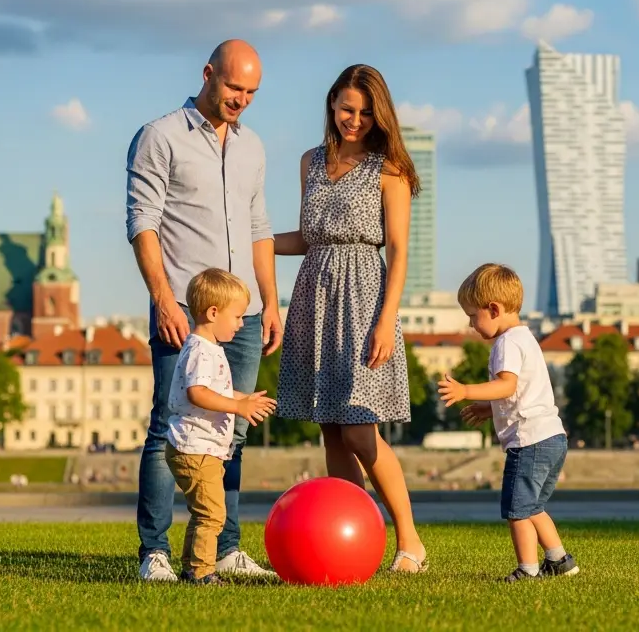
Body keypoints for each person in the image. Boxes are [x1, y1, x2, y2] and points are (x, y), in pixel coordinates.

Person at [126, 39, 284, 582]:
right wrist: (163, 299)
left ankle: (225, 548)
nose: (242, 99)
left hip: (243, 315)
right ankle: (155, 553)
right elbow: (142, 223)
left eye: (251, 92)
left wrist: (270, 302)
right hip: (186, 316)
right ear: (208, 74)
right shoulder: (160, 136)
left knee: (231, 428)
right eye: (234, 87)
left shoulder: (253, 147)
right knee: (170, 428)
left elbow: (259, 228)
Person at [273, 64, 428, 573]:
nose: (354, 120)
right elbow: (306, 236)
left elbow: (401, 252)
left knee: (361, 428)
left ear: (378, 114)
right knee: (331, 429)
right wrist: (252, 243)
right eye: (346, 109)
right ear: (331, 105)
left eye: (364, 112)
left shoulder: (390, 170)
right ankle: (348, 541)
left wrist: (388, 319)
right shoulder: (310, 162)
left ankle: (410, 541)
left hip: (365, 297)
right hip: (314, 294)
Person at [438, 263, 579, 582]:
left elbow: (507, 386)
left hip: (530, 442)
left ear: (494, 309)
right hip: (552, 437)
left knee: (517, 509)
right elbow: (520, 394)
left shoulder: (506, 344)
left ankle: (527, 569)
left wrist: (465, 391)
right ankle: (560, 561)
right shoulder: (525, 337)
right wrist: (488, 409)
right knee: (533, 507)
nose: (471, 324)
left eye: (473, 316)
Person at [166, 268, 278, 584]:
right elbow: (197, 393)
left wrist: (243, 398)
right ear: (213, 313)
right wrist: (238, 406)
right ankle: (203, 572)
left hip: (199, 447)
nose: (242, 324)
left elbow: (213, 389)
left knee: (203, 513)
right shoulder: (201, 349)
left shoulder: (206, 347)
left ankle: (191, 567)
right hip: (195, 448)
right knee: (213, 514)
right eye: (238, 317)